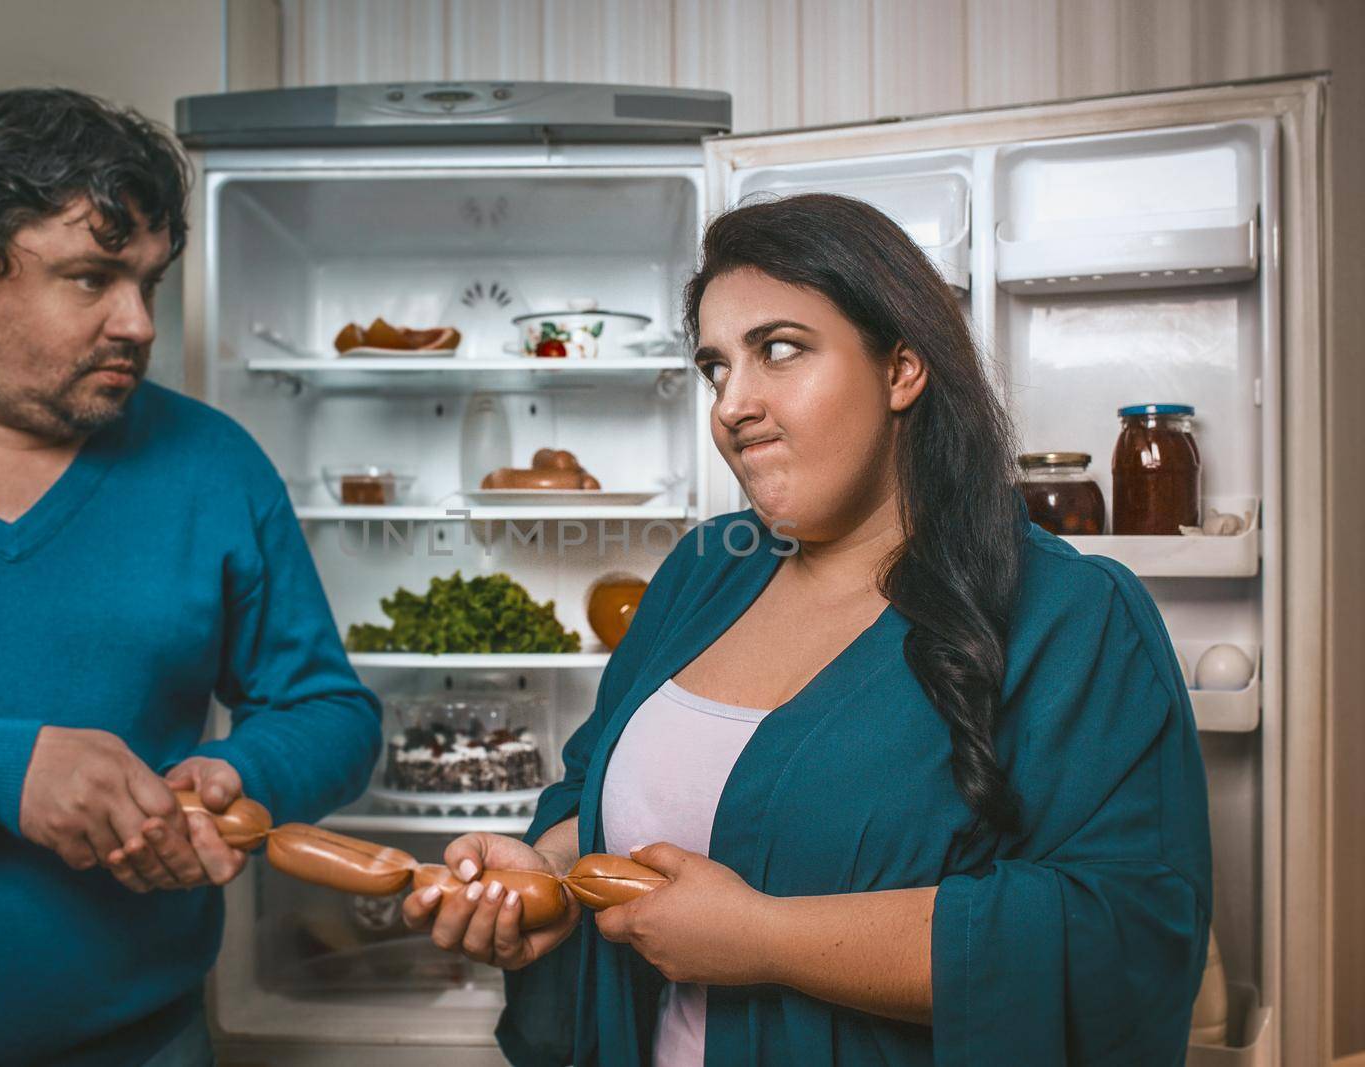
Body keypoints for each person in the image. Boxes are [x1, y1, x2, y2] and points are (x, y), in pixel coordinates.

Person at [403, 194, 1212, 1065]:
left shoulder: (1071, 613)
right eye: (717, 368)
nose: (732, 406)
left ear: (902, 369)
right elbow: (591, 796)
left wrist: (768, 938)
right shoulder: (704, 571)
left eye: (778, 351)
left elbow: (1122, 932)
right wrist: (548, 873)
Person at [0, 89, 381, 1066]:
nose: (136, 321)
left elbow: (328, 709)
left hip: (142, 1041)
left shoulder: (211, 463)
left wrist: (239, 771)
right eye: (91, 278)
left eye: (148, 281)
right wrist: (2, 770)